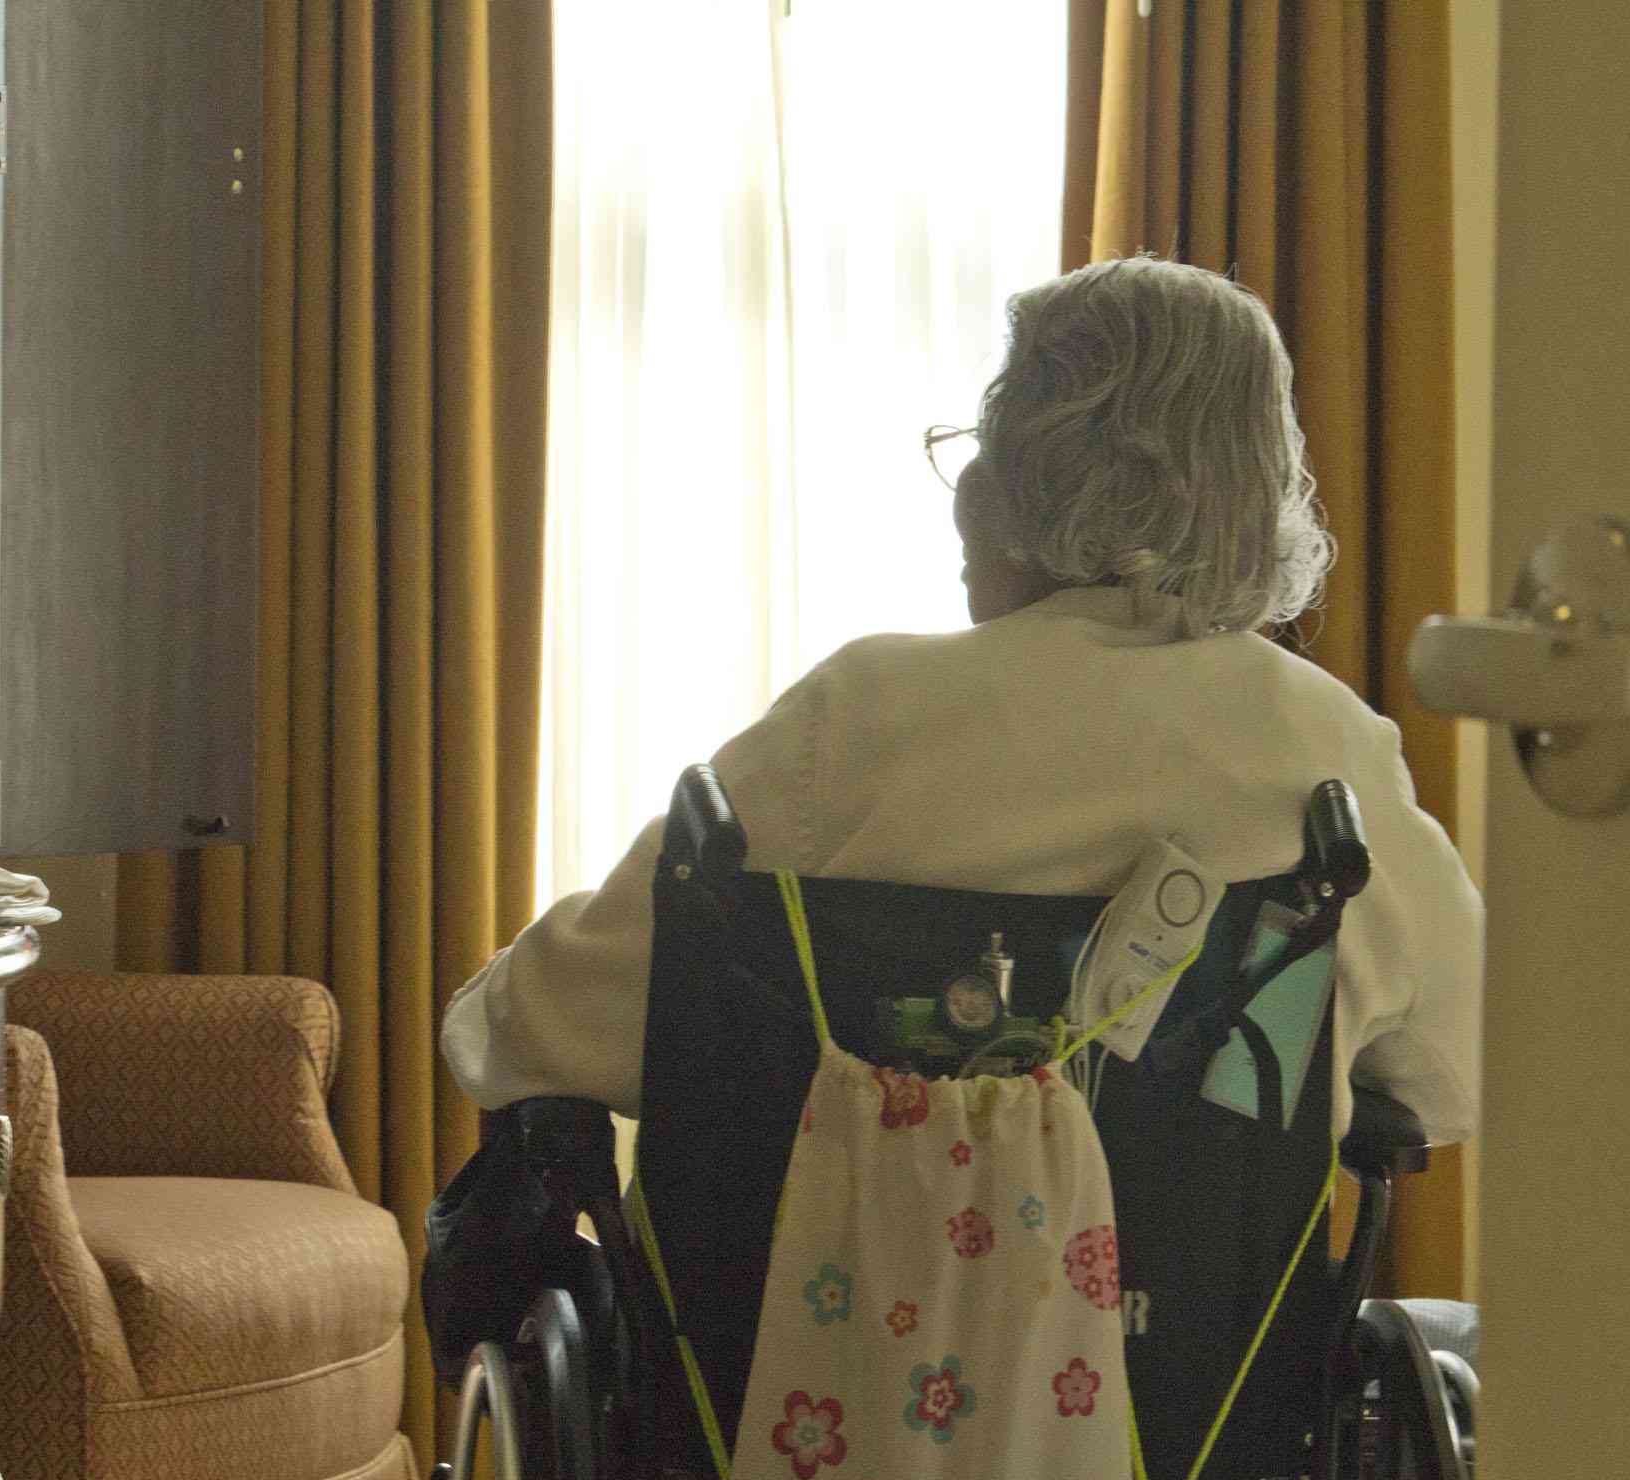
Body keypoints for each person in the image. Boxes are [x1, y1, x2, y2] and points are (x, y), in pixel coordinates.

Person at [443, 255, 1481, 1149]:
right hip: (1208, 1373)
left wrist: (488, 1000)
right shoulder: (1323, 744)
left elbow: (543, 1027)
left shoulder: (859, 716)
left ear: (1013, 485)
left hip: (841, 1362)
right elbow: (1457, 1071)